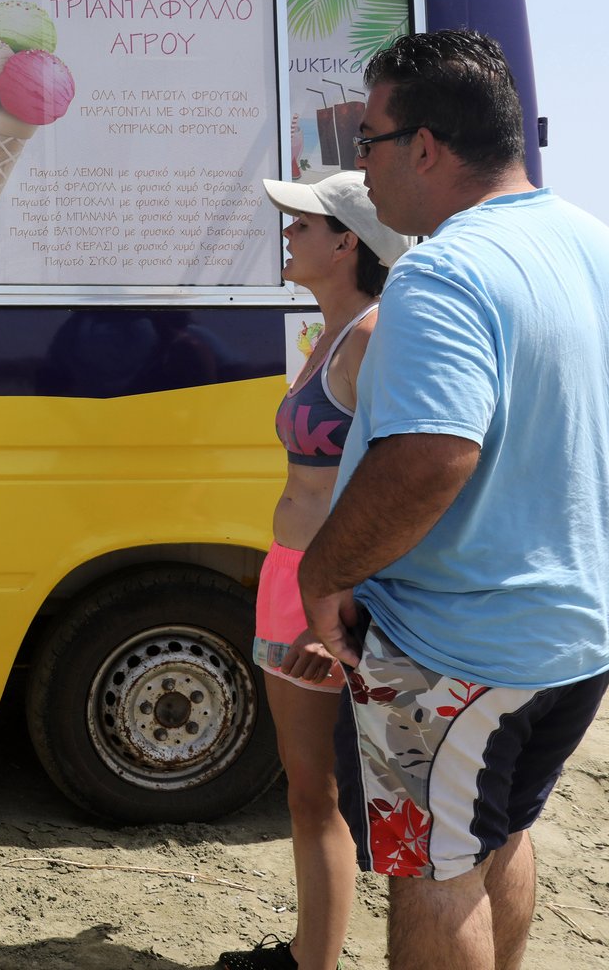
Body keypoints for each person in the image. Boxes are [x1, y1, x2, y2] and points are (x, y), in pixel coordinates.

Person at [297, 29, 609, 970]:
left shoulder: (444, 271)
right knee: (496, 831)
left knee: (434, 871)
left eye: (368, 140)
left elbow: (431, 459)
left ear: (425, 146)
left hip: (459, 649)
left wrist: (327, 572)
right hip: (579, 635)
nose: (362, 167)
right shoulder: (603, 247)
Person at [216, 171, 410, 970]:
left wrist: (345, 616)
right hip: (287, 577)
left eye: (303, 225)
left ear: (348, 243)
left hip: (332, 590)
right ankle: (309, 953)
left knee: (333, 789)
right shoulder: (327, 334)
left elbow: (399, 484)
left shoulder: (371, 339)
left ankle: (317, 961)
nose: (288, 236)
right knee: (306, 786)